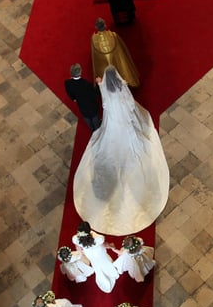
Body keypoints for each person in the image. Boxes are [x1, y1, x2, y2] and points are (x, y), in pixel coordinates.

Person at [72, 68, 169, 236]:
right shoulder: (122, 89)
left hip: (113, 122)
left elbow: (105, 105)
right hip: (124, 121)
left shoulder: (105, 90)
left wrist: (101, 85)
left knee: (107, 143)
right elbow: (130, 105)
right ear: (117, 78)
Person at [72, 221, 120, 293]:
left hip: (89, 254)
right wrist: (111, 246)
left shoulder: (76, 238)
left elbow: (78, 248)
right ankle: (111, 272)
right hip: (99, 253)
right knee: (104, 262)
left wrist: (81, 254)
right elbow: (104, 245)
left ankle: (103, 275)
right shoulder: (98, 238)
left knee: (95, 264)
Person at [90, 18, 139, 87]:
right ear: (105, 25)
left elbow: (94, 58)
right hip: (114, 58)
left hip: (103, 64)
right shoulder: (113, 35)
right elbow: (123, 49)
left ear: (96, 27)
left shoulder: (93, 39)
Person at [65, 63, 102, 131]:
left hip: (81, 105)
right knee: (94, 117)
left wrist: (74, 98)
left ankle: (91, 128)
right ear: (80, 72)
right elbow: (95, 95)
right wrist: (98, 83)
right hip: (91, 106)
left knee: (86, 116)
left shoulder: (67, 83)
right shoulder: (87, 84)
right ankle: (97, 129)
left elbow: (69, 93)